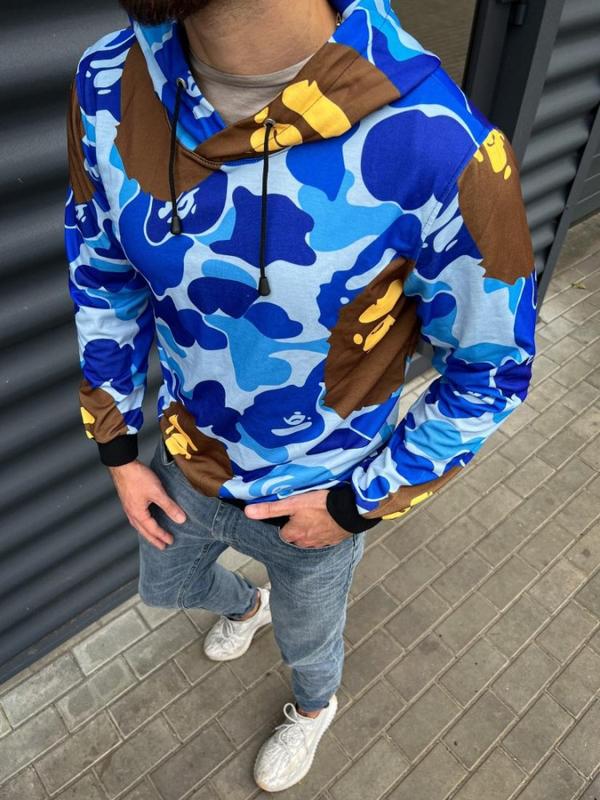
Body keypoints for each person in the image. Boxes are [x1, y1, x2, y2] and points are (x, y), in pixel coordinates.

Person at [64, 0, 538, 791]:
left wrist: (357, 504)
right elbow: (102, 275)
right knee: (170, 585)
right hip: (186, 461)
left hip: (320, 494)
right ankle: (243, 608)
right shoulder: (109, 81)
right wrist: (117, 446)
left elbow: (491, 372)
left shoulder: (440, 144)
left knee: (310, 640)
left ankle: (316, 709)